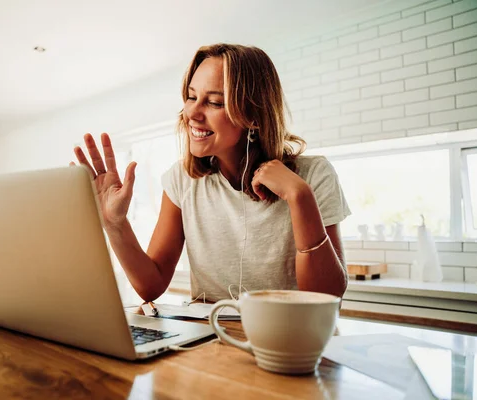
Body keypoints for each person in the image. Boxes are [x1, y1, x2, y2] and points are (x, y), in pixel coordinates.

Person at [72, 43, 351, 303]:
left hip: (288, 343)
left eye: (215, 102)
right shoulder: (182, 180)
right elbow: (151, 285)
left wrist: (299, 196)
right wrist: (114, 224)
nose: (192, 112)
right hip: (210, 341)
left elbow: (325, 299)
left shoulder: (313, 175)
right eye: (191, 97)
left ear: (254, 115)